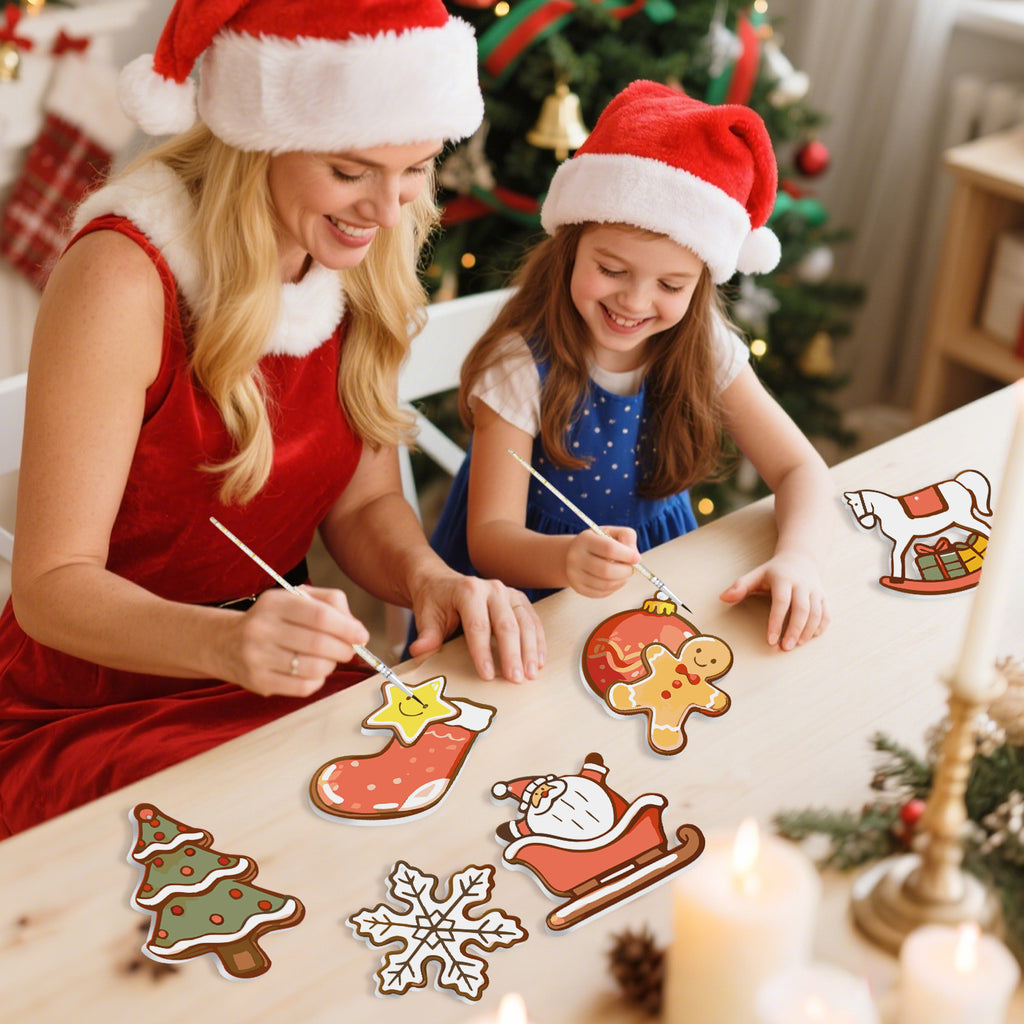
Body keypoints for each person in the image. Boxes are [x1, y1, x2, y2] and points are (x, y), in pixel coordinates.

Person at [0, 0, 544, 840]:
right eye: (352, 169)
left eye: (414, 169)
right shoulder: (122, 277)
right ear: (260, 134)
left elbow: (362, 508)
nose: (390, 211)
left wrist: (427, 577)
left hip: (274, 674)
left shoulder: (358, 258)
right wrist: (225, 646)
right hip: (90, 704)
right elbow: (49, 591)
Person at [427, 80, 835, 652]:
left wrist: (799, 559)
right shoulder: (520, 364)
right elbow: (489, 539)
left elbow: (801, 470)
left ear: (700, 286)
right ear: (571, 245)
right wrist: (567, 558)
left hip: (655, 590)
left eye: (670, 284)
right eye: (613, 270)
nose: (635, 303)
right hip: (527, 607)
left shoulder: (703, 345)